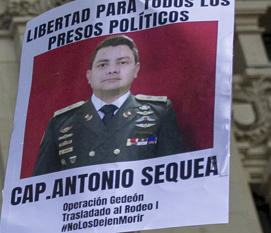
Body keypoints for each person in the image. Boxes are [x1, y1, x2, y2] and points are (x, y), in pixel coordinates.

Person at [32, 35, 185, 175]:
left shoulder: (158, 113)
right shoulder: (61, 123)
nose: (112, 70)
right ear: (89, 75)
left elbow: (175, 174)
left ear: (136, 69)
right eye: (103, 65)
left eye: (122, 62)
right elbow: (39, 188)